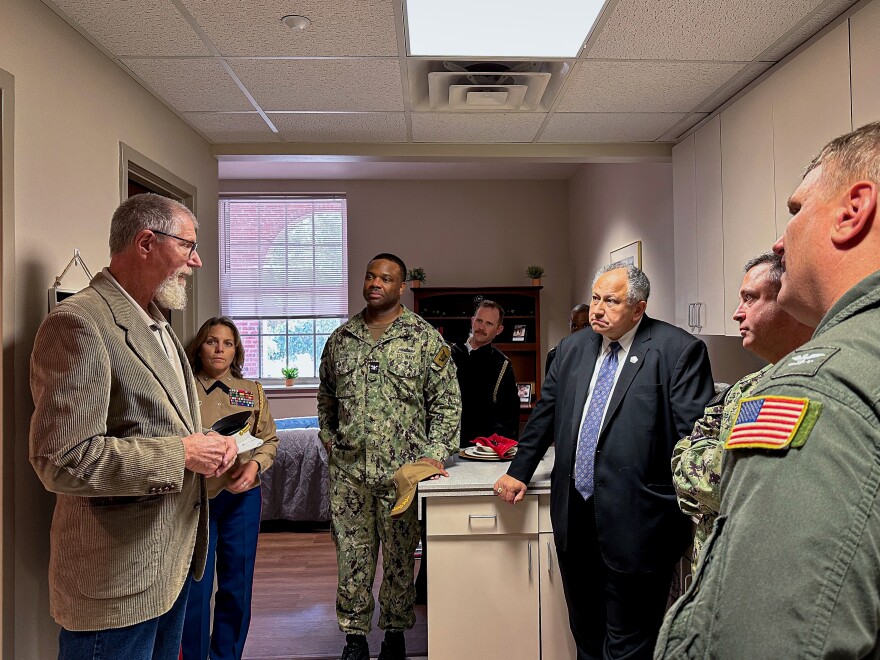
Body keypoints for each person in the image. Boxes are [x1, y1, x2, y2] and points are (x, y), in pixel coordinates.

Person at [656, 122, 880, 658]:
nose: (782, 240)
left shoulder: (818, 386)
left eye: (796, 209)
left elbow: (769, 633)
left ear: (853, 211)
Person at [29, 193, 237, 659]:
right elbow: (61, 460)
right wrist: (182, 454)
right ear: (146, 242)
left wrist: (207, 445)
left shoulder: (157, 323)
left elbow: (160, 423)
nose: (196, 260)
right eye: (188, 246)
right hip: (118, 583)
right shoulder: (80, 323)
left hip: (171, 567)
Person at [494, 263, 713, 660]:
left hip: (640, 522)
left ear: (638, 308)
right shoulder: (571, 349)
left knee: (629, 644)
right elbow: (545, 414)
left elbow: (694, 439)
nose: (597, 309)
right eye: (595, 298)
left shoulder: (678, 351)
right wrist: (518, 471)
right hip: (575, 518)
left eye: (610, 301)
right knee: (587, 636)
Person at [318, 253, 461, 660]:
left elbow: (447, 405)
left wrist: (431, 458)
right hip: (349, 475)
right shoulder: (341, 340)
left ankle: (395, 636)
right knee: (352, 558)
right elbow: (326, 397)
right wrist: (329, 438)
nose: (375, 283)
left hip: (403, 476)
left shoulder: (424, 339)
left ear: (402, 288)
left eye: (386, 278)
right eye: (370, 276)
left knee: (400, 560)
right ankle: (355, 639)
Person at [671, 251, 813, 569]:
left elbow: (746, 482)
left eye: (750, 299)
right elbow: (683, 457)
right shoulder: (747, 386)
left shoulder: (803, 387)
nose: (737, 313)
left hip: (760, 573)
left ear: (792, 302)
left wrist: (703, 467)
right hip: (717, 570)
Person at [182, 317, 279, 660]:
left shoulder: (251, 390)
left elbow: (269, 440)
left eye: (227, 342)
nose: (219, 349)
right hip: (195, 501)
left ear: (237, 349)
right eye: (212, 341)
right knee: (196, 586)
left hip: (241, 498)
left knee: (236, 585)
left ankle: (227, 655)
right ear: (200, 347)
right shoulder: (183, 388)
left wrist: (254, 465)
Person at [451, 299, 519, 447]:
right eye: (479, 321)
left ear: (499, 329)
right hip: (444, 444)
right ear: (472, 321)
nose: (481, 327)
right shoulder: (449, 354)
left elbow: (509, 415)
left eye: (489, 324)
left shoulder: (502, 365)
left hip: (481, 449)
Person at [545, 303, 589, 375]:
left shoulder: (601, 354)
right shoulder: (555, 355)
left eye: (585, 326)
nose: (579, 331)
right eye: (574, 326)